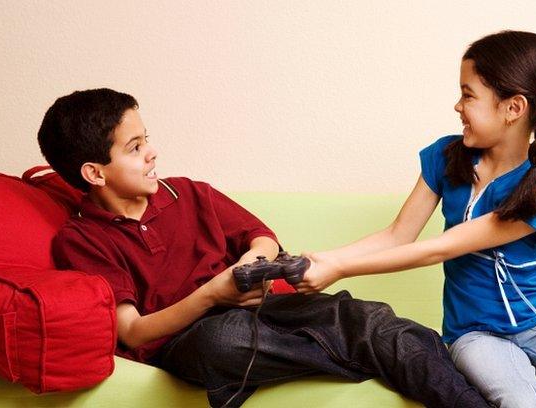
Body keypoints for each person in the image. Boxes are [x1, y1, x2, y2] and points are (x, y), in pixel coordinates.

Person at [297, 30, 536, 408]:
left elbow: (439, 249)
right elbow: (399, 234)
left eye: (468, 95)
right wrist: (324, 260)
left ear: (512, 108)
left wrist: (341, 269)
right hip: (475, 333)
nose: (457, 106)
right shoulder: (444, 157)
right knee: (521, 401)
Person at [37, 88, 490, 408]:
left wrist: (250, 264)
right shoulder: (82, 239)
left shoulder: (189, 193)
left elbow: (262, 238)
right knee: (225, 340)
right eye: (135, 148)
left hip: (266, 309)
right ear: (95, 174)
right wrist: (212, 295)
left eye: (147, 139)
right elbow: (133, 332)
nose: (152, 153)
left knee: (370, 318)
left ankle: (404, 361)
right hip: (188, 337)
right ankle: (375, 354)